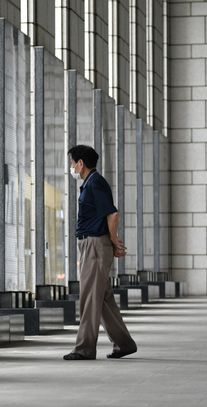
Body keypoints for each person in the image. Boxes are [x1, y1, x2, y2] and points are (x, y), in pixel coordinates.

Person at [63, 145, 137, 360]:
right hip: (91, 245)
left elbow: (113, 214)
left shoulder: (95, 183)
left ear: (80, 164)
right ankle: (124, 344)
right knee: (103, 299)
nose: (71, 168)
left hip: (95, 245)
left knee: (89, 298)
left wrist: (114, 241)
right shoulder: (90, 183)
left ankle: (84, 348)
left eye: (72, 163)